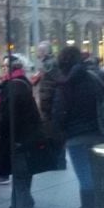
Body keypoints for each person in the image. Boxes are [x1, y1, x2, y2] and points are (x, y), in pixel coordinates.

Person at [53, 46, 104, 208]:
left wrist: (59, 132)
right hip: (98, 132)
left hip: (76, 136)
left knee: (85, 176)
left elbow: (59, 113)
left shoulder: (66, 83)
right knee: (95, 172)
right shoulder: (93, 77)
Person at [0, 56, 44, 208]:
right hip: (26, 132)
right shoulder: (21, 82)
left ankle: (20, 202)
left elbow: (8, 114)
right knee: (23, 168)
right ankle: (24, 199)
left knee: (20, 169)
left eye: (4, 66)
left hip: (18, 134)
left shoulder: (13, 85)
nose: (2, 69)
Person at [31, 41, 64, 169]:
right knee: (53, 133)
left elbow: (47, 87)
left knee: (52, 133)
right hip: (50, 104)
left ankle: (57, 161)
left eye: (39, 50)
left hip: (49, 105)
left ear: (44, 52)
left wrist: (43, 105)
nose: (37, 53)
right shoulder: (49, 64)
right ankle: (57, 160)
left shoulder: (48, 65)